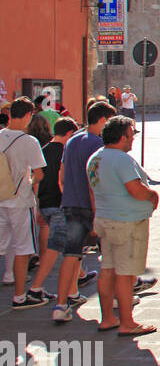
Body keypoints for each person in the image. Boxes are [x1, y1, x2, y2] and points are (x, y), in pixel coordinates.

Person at [87, 116, 158, 336]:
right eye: (132, 134)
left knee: (107, 270)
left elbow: (92, 191)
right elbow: (135, 190)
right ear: (123, 136)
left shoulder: (95, 159)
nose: (133, 139)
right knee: (126, 275)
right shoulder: (121, 159)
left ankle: (107, 317)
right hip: (126, 221)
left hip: (105, 219)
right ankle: (127, 322)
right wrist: (153, 196)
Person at [50, 101, 116, 317]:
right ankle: (116, 297)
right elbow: (94, 182)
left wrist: (68, 195)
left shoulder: (73, 140)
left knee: (71, 254)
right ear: (103, 120)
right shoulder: (98, 143)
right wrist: (98, 213)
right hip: (91, 206)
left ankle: (61, 304)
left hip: (70, 202)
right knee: (109, 254)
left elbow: (61, 175)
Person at [29, 119, 87, 319]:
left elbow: (37, 178)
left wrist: (38, 206)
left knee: (70, 248)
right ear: (70, 133)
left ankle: (74, 288)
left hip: (45, 203)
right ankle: (38, 288)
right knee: (61, 250)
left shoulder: (43, 149)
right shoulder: (66, 151)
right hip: (60, 204)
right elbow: (62, 180)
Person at [0, 98, 50, 308]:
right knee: (23, 248)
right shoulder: (29, 142)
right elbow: (39, 174)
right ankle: (20, 296)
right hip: (20, 200)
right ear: (29, 116)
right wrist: (30, 181)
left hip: (0, 198)